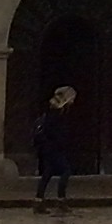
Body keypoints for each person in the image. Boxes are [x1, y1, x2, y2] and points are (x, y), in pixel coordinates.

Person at [32, 86, 77, 214]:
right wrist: (60, 142)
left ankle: (38, 201)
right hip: (53, 148)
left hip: (49, 147)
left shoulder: (56, 109)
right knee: (66, 171)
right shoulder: (57, 111)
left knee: (48, 172)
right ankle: (61, 200)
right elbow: (52, 130)